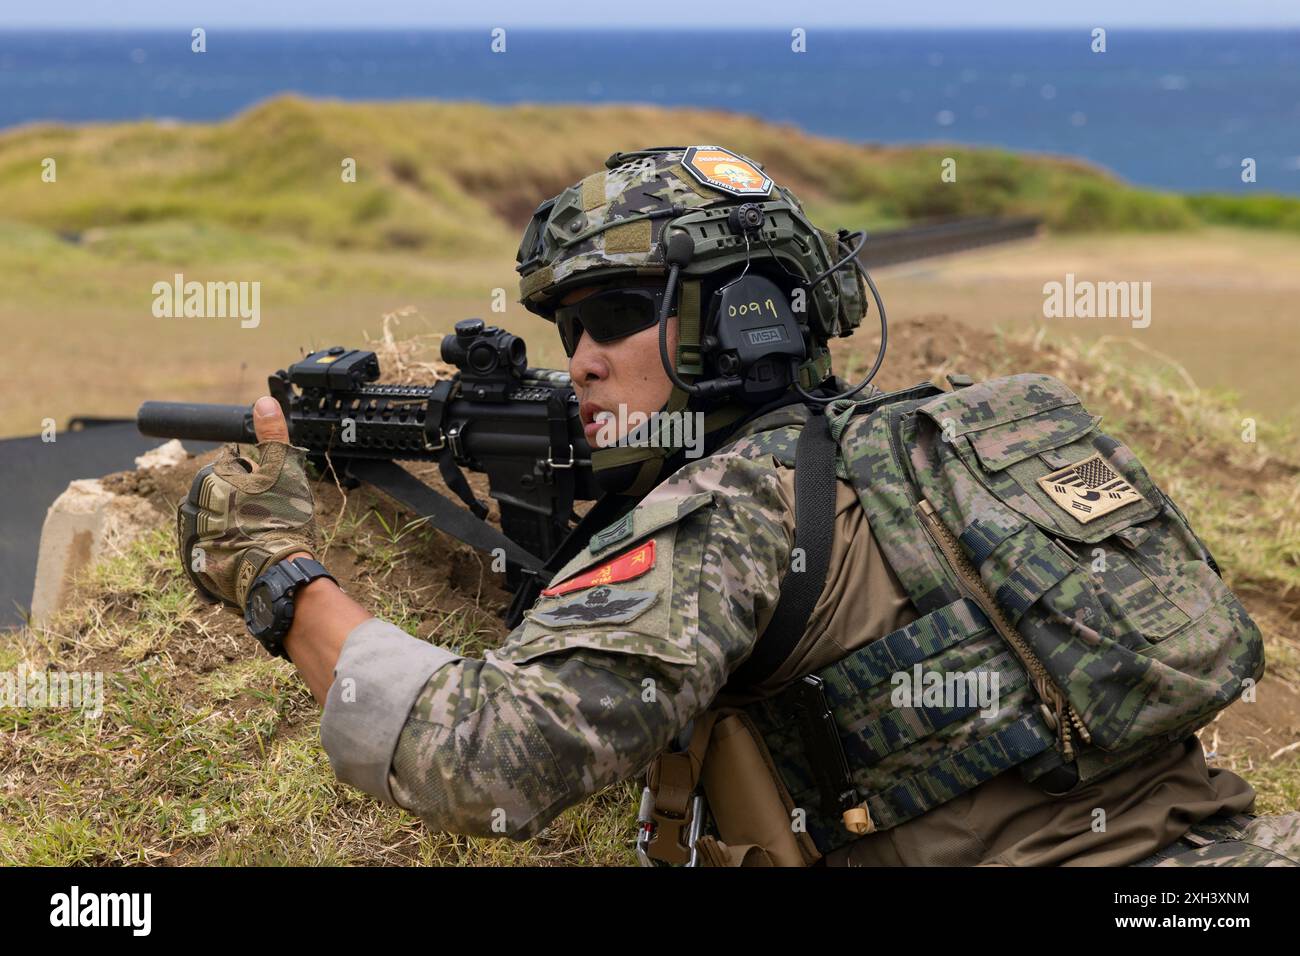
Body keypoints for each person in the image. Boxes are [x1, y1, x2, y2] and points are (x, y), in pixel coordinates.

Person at [176, 146, 1298, 866]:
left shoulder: (727, 512)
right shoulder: (996, 426)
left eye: (613, 314)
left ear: (744, 315)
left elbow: (480, 756)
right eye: (567, 330)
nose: (584, 359)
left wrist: (273, 566)